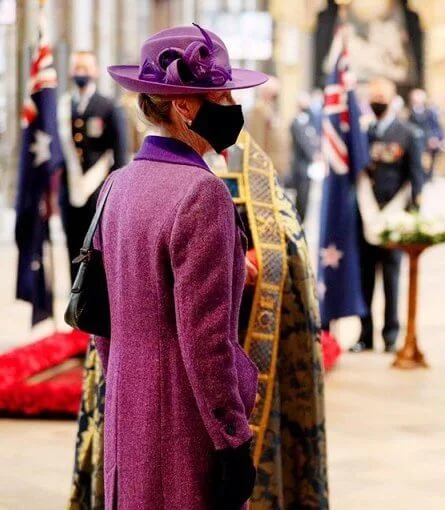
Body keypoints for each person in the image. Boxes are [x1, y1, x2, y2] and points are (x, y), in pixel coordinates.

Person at [69, 25, 267, 510]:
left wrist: (121, 391)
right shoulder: (202, 194)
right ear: (184, 106)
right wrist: (231, 438)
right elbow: (206, 339)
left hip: (127, 408)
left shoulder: (118, 184)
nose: (231, 109)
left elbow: (103, 320)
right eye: (221, 97)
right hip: (182, 420)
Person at [349, 77, 425, 353]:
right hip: (365, 218)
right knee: (365, 278)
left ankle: (391, 334)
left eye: (382, 96)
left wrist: (414, 213)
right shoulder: (362, 134)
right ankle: (365, 334)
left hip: (393, 216)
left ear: (393, 99)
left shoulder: (407, 133)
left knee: (392, 279)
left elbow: (416, 175)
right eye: (373, 96)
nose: (377, 101)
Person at [59, 51, 127, 283]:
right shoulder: (64, 107)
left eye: (86, 68)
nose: (81, 72)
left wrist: (116, 197)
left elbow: (119, 155)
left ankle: (95, 311)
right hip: (70, 191)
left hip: (97, 192)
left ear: (96, 72)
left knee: (96, 252)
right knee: (72, 249)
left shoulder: (108, 107)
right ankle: (75, 308)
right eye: (77, 67)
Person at [289, 92, 321, 222]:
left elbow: (313, 139)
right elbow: (303, 142)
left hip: (308, 166)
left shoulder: (309, 120)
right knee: (301, 196)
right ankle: (299, 220)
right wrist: (313, 155)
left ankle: (302, 219)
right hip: (300, 166)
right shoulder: (296, 122)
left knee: (306, 196)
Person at [408, 88, 444, 180]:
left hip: (428, 142)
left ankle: (428, 177)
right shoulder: (409, 112)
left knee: (428, 164)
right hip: (415, 142)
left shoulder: (429, 112)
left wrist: (436, 138)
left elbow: (436, 126)